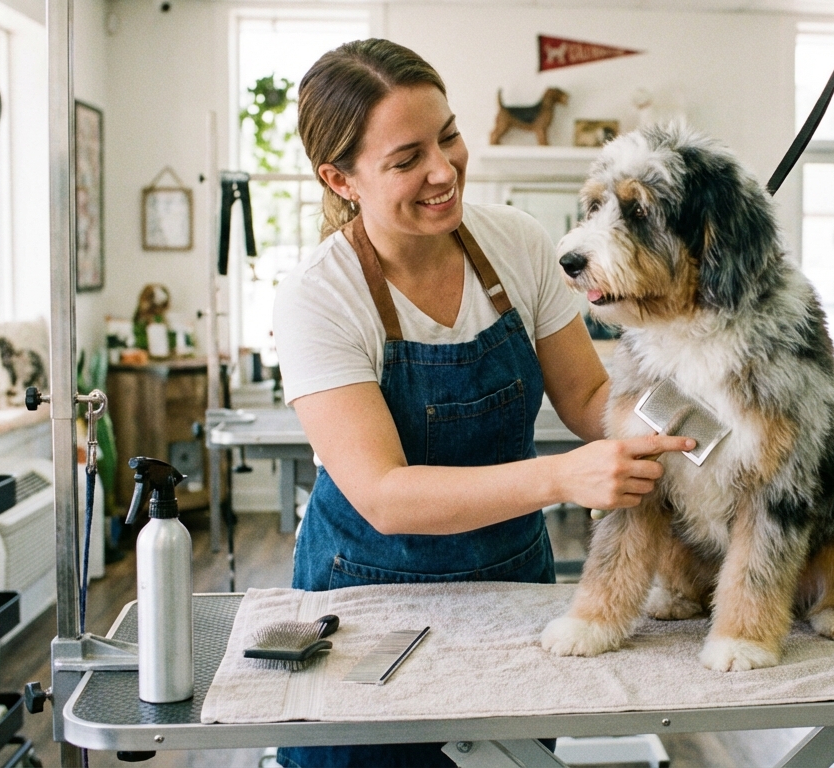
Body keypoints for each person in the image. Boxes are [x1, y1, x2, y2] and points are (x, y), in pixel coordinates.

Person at [271, 39, 692, 768]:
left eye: (449, 136)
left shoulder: (517, 245)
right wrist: (562, 479)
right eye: (406, 160)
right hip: (367, 603)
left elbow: (591, 394)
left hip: (510, 586)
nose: (443, 170)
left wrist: (702, 423)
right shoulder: (319, 295)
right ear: (339, 178)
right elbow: (385, 494)